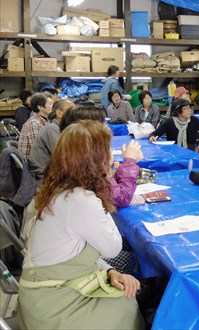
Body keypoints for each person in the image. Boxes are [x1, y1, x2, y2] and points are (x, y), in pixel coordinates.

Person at [18, 120, 144, 329]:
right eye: (107, 151)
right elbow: (113, 248)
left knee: (125, 288)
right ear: (95, 160)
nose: (112, 157)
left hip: (47, 293)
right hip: (56, 308)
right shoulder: (82, 200)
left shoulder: (59, 189)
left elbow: (71, 254)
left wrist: (109, 271)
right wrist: (106, 184)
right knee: (128, 301)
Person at [28, 99, 75, 184]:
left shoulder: (57, 127)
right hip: (44, 177)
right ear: (59, 113)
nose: (75, 115)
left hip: (51, 172)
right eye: (71, 111)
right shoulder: (52, 129)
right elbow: (64, 157)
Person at [18, 93, 53, 159]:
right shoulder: (34, 123)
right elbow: (38, 149)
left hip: (41, 159)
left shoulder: (46, 120)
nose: (53, 106)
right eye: (51, 104)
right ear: (40, 107)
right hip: (33, 162)